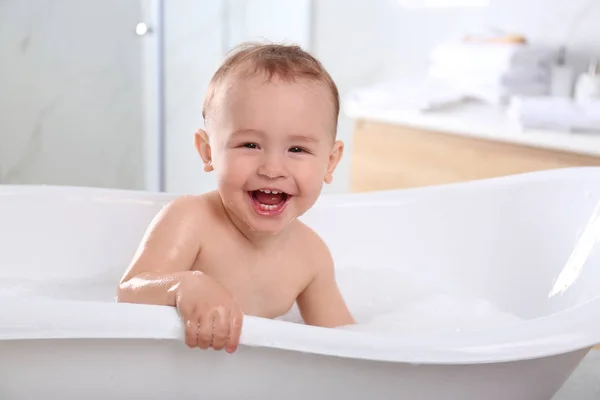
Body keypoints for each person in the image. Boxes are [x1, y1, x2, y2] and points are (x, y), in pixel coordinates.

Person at [116, 42, 355, 354]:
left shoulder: (311, 256)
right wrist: (183, 285)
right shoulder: (192, 219)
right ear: (207, 151)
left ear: (330, 161)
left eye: (297, 149)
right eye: (250, 145)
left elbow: (347, 345)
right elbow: (129, 291)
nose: (272, 169)